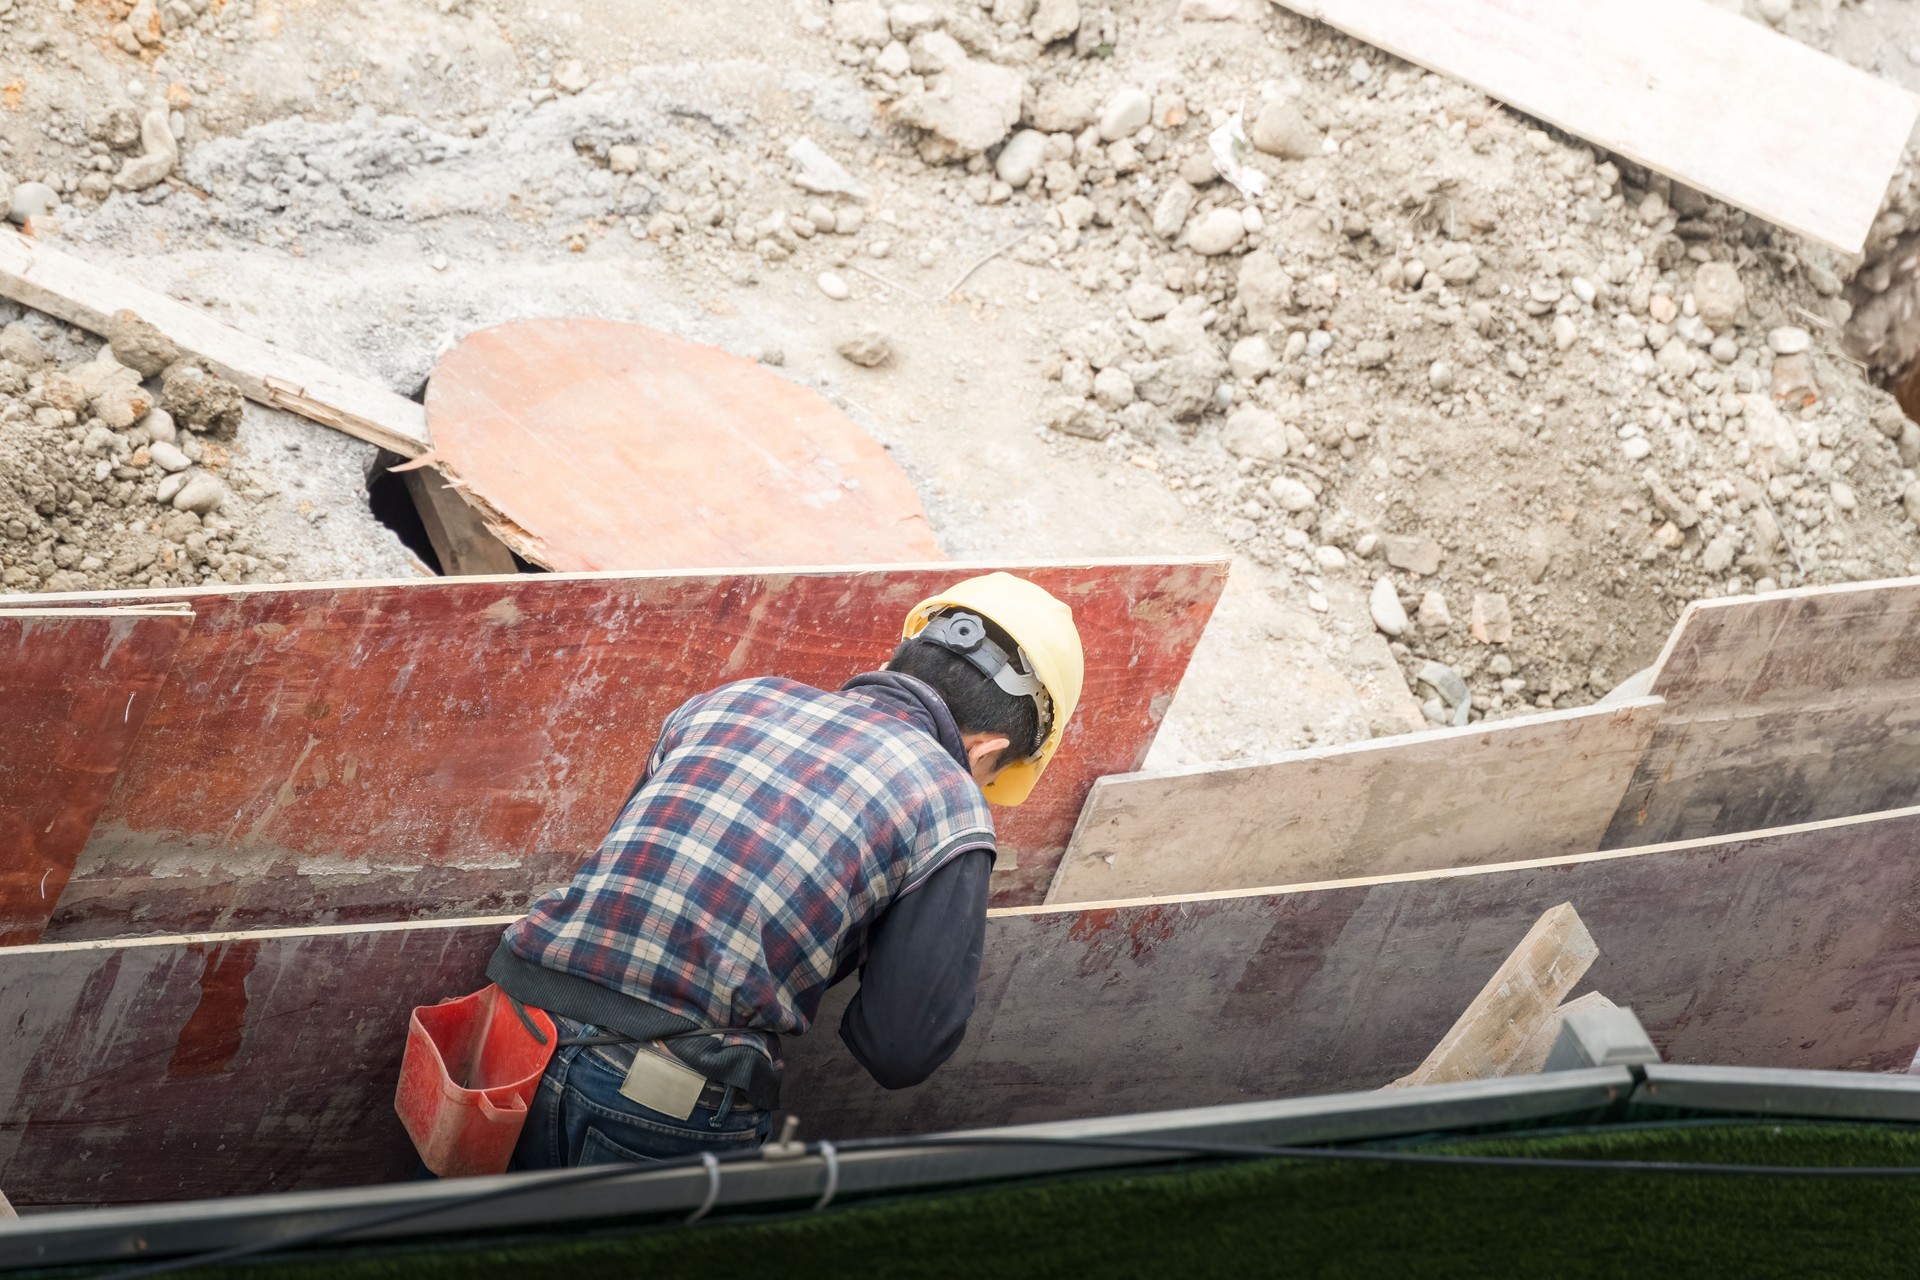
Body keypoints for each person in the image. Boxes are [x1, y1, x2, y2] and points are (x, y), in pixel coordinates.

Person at [490, 572, 1084, 1169]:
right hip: (654, 1096)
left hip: (505, 1032)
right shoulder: (950, 798)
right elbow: (900, 1047)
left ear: (900, 658)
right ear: (985, 752)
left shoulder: (731, 699)